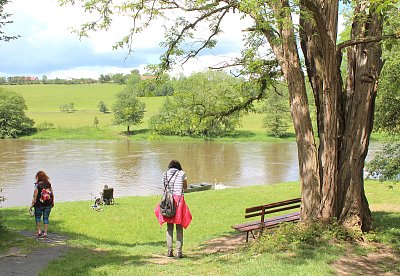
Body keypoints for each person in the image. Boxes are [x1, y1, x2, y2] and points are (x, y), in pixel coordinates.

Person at [154, 160, 192, 258]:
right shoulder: (182, 173)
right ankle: (179, 252)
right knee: (179, 227)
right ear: (178, 167)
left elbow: (165, 187)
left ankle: (169, 251)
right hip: (179, 201)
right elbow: (185, 187)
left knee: (169, 227)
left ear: (169, 167)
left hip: (168, 202)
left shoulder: (165, 174)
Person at [29, 171, 54, 239]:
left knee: (38, 217)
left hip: (38, 205)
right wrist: (52, 202)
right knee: (46, 218)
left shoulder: (38, 185)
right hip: (48, 204)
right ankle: (45, 233)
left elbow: (35, 196)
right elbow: (52, 194)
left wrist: (31, 205)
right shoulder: (48, 184)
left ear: (38, 177)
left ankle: (39, 231)